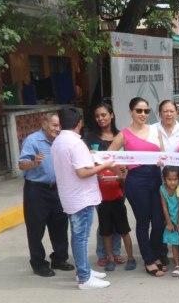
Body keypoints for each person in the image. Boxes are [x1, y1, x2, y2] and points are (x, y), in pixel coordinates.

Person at [51, 106, 114, 289]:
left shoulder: (58, 142)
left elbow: (75, 165)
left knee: (78, 236)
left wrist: (89, 155)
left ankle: (82, 270)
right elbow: (82, 172)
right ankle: (84, 278)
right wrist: (105, 165)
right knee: (81, 237)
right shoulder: (76, 144)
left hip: (71, 196)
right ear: (79, 123)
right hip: (81, 198)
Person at [108, 97, 168, 277]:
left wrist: (162, 162)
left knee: (159, 221)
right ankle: (149, 259)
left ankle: (156, 253)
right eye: (139, 111)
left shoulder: (155, 130)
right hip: (136, 181)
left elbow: (163, 155)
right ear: (131, 112)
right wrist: (119, 172)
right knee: (143, 222)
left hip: (155, 178)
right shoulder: (124, 134)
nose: (143, 114)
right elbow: (108, 157)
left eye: (146, 111)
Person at [20, 112, 72, 277]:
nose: (58, 129)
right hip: (36, 190)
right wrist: (34, 163)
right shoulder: (32, 140)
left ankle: (59, 259)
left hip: (58, 189)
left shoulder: (61, 141)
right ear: (44, 124)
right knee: (36, 228)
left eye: (60, 126)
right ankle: (38, 263)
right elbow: (22, 164)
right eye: (55, 125)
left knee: (60, 225)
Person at [84, 103, 126, 268]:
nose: (100, 118)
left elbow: (127, 160)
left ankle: (115, 253)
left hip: (119, 186)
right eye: (97, 116)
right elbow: (84, 160)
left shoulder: (121, 136)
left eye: (104, 115)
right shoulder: (89, 137)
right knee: (104, 221)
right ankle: (103, 253)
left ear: (111, 115)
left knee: (117, 220)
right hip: (98, 188)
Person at [160, 166, 179, 277]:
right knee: (174, 243)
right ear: (164, 179)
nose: (173, 182)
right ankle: (178, 264)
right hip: (171, 219)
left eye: (175, 179)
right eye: (170, 179)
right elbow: (164, 207)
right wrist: (169, 222)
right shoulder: (162, 189)